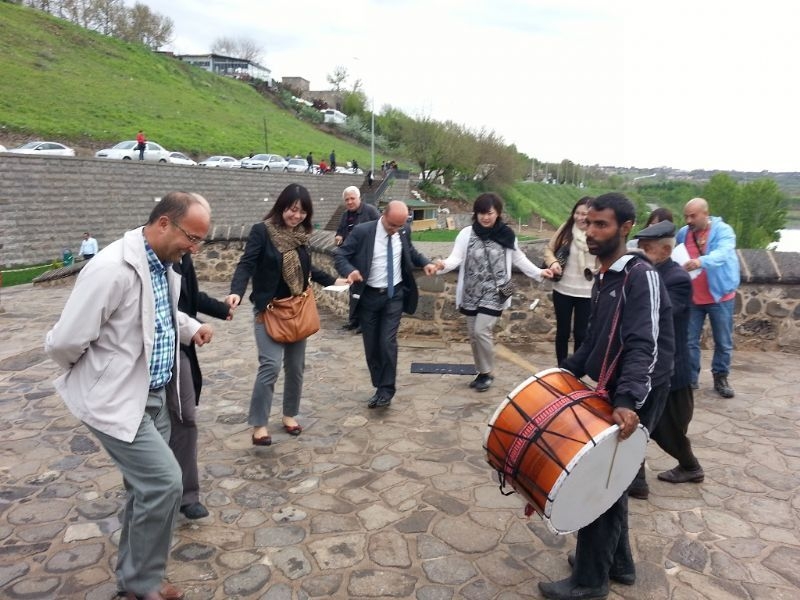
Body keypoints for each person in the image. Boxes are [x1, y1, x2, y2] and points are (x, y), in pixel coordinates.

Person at [45, 191, 214, 600]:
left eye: (200, 241)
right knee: (165, 482)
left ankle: (134, 578)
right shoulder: (110, 269)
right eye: (192, 238)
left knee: (145, 489)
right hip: (120, 400)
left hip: (154, 395)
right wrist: (95, 377)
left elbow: (157, 313)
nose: (194, 248)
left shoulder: (162, 264)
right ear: (164, 224)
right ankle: (142, 583)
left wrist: (190, 327)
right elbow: (65, 341)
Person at [540, 193, 674, 600]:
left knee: (601, 481)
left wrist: (628, 400)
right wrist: (562, 373)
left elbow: (644, 344)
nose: (591, 232)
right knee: (613, 479)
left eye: (602, 225)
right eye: (588, 224)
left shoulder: (640, 276)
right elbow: (595, 341)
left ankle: (590, 580)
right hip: (617, 388)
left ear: (626, 227)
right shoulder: (605, 277)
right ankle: (617, 564)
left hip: (640, 390)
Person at [226, 184, 344, 446]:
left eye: (302, 212)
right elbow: (246, 263)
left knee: (296, 367)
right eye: (293, 209)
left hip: (297, 309)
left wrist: (334, 280)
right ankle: (259, 425)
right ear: (282, 207)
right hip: (269, 310)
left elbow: (307, 269)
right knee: (270, 365)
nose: (296, 216)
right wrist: (236, 291)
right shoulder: (262, 231)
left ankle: (289, 414)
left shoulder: (301, 236)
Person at [435, 193, 553, 392]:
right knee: (473, 335)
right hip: (471, 291)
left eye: (489, 213)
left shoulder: (506, 234)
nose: (485, 217)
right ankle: (482, 372)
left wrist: (539, 272)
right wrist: (442, 265)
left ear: (497, 213)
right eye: (481, 213)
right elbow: (455, 258)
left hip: (498, 291)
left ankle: (488, 372)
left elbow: (519, 258)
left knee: (481, 330)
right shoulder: (466, 234)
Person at [335, 200, 438, 408]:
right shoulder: (363, 232)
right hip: (369, 296)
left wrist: (425, 262)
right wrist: (350, 270)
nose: (395, 230)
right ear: (383, 215)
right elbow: (341, 255)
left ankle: (386, 390)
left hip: (394, 296)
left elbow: (410, 251)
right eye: (392, 225)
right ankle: (379, 384)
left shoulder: (403, 230)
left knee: (387, 342)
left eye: (400, 225)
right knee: (372, 346)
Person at [634, 218, 705, 490]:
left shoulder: (677, 279)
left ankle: (690, 466)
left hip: (673, 370)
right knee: (638, 422)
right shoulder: (646, 272)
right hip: (649, 366)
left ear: (665, 250)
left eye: (647, 248)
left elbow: (660, 315)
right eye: (640, 247)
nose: (641, 252)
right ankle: (636, 480)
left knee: (669, 430)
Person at [168, 252, 233, 520]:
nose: (196, 247)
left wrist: (221, 309)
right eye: (192, 238)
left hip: (180, 348)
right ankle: (148, 488)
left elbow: (189, 298)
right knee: (149, 423)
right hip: (145, 352)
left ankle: (187, 496)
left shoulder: (183, 256)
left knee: (186, 416)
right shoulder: (140, 259)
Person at [676, 197, 740, 398]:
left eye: (692, 216)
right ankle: (691, 378)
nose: (688, 220)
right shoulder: (683, 233)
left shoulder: (723, 231)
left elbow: (723, 253)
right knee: (689, 340)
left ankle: (721, 377)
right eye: (686, 216)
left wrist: (700, 262)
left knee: (723, 341)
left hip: (720, 296)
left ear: (705, 213)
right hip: (693, 297)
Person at [543, 197, 597, 364]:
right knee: (563, 332)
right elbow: (549, 250)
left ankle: (576, 368)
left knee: (581, 333)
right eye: (577, 213)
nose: (580, 217)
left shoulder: (597, 233)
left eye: (584, 214)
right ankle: (561, 366)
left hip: (587, 293)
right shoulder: (566, 229)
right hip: (563, 290)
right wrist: (553, 263)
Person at [335, 186, 381, 331]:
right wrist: (339, 236)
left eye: (352, 198)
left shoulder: (370, 211)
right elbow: (340, 231)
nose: (349, 202)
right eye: (347, 199)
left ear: (359, 198)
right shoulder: (345, 215)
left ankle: (363, 323)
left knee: (364, 292)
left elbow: (381, 229)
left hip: (366, 257)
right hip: (351, 258)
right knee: (353, 291)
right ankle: (353, 320)